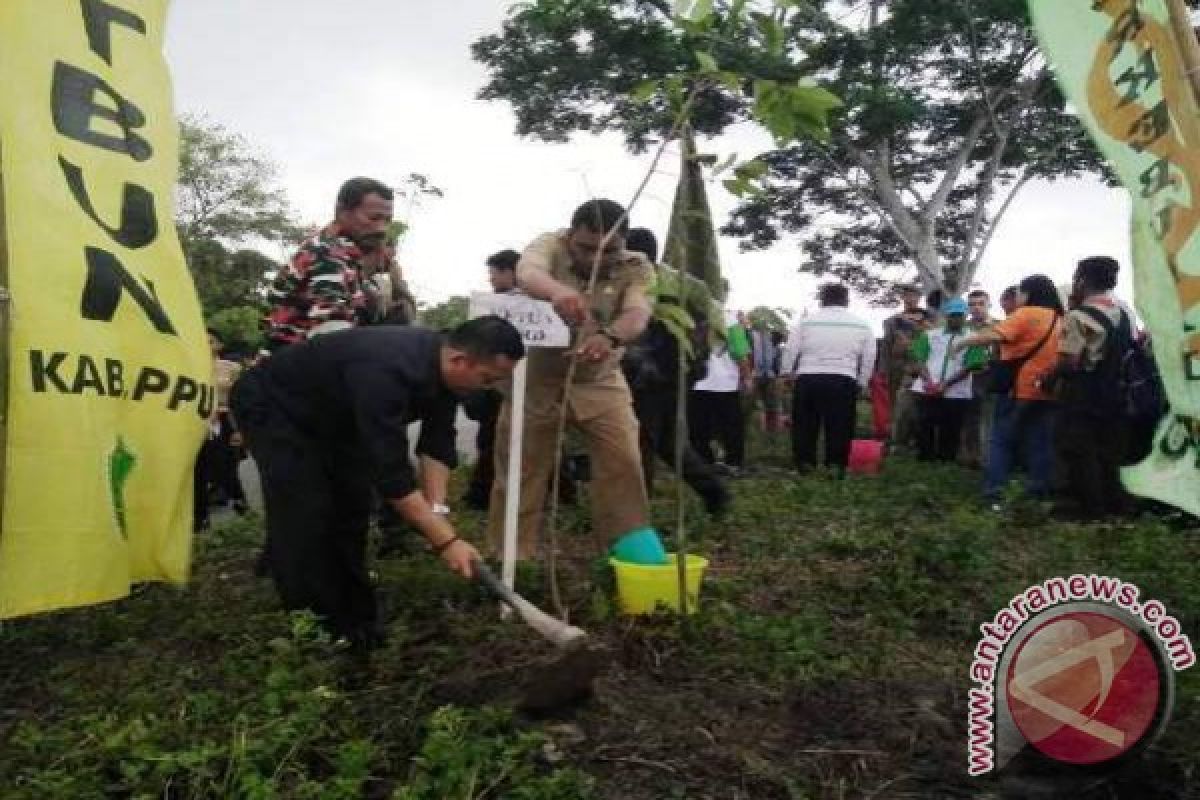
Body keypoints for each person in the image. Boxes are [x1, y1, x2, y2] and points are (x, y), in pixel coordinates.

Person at [230, 318, 524, 647]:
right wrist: (446, 541)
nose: (487, 388)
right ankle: (314, 630)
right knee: (306, 511)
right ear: (459, 360)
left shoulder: (448, 374)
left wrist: (437, 511)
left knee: (352, 505)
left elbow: (437, 445)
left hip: (338, 417)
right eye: (487, 379)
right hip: (276, 407)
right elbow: (392, 475)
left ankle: (356, 619)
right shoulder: (386, 371)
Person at [486, 199, 653, 560]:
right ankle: (511, 561)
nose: (595, 259)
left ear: (624, 243)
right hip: (535, 381)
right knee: (521, 474)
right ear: (570, 234)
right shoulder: (547, 245)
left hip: (600, 380)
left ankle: (630, 557)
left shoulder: (637, 267)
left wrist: (610, 337)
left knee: (623, 463)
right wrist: (557, 291)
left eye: (608, 250)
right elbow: (528, 273)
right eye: (585, 248)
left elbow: (638, 312)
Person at [620, 228, 729, 514]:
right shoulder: (684, 282)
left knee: (639, 438)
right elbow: (713, 322)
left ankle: (635, 507)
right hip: (679, 371)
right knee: (667, 440)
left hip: (650, 374)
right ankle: (713, 491)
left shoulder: (642, 282)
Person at [265, 177, 416, 349]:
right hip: (294, 371)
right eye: (373, 218)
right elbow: (332, 345)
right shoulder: (330, 259)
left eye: (387, 220)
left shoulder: (335, 252)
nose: (382, 229)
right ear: (342, 211)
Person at [956, 275, 1062, 508]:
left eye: (1020, 293)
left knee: (1001, 440)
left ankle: (994, 493)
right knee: (1040, 442)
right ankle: (1037, 493)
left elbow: (995, 335)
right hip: (1047, 389)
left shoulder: (1026, 314)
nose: (1018, 297)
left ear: (1028, 293)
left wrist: (962, 343)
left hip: (1018, 388)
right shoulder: (1059, 317)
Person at [1050, 256, 1132, 520]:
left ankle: (1091, 511)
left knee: (1080, 451)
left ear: (1082, 280)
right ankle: (1115, 507)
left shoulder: (1077, 316)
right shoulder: (1123, 315)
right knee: (1109, 452)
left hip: (1084, 392)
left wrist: (1048, 377)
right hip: (1117, 391)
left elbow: (1070, 362)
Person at [783, 283, 876, 476]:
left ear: (822, 300)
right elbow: (869, 356)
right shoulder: (862, 324)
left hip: (808, 377)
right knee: (840, 426)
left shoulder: (806, 322)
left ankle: (804, 466)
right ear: (846, 301)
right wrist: (862, 381)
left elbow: (791, 349)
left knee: (805, 425)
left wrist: (786, 373)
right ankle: (836, 467)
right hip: (843, 378)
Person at [462, 249, 520, 510]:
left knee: (493, 439)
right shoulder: (495, 303)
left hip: (506, 384)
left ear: (509, 271)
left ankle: (481, 495)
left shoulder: (520, 306)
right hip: (498, 383)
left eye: (494, 274)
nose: (491, 280)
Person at [910, 299, 988, 462]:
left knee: (951, 428)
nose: (956, 319)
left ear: (965, 316)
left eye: (960, 315)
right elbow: (919, 359)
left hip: (956, 392)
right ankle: (925, 459)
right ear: (946, 316)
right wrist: (929, 381)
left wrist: (946, 384)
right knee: (924, 425)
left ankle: (946, 461)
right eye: (953, 315)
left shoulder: (974, 338)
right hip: (926, 387)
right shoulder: (930, 335)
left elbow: (971, 366)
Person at [689, 311, 749, 477]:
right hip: (726, 383)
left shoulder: (690, 316)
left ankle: (703, 463)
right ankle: (733, 463)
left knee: (698, 428)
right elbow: (739, 352)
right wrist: (747, 376)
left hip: (697, 382)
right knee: (731, 426)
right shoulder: (729, 320)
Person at [881, 283, 930, 450]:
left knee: (918, 403)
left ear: (919, 297)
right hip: (896, 365)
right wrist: (883, 370)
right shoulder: (892, 320)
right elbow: (886, 346)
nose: (910, 299)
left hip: (919, 366)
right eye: (907, 295)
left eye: (914, 295)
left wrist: (921, 326)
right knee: (896, 404)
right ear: (902, 297)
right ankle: (896, 438)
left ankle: (916, 439)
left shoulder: (929, 317)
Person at [960, 290, 997, 468]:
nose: (976, 308)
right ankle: (968, 456)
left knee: (988, 419)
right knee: (967, 417)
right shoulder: (962, 328)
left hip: (989, 378)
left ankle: (986, 459)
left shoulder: (1000, 325)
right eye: (972, 304)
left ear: (989, 304)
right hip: (964, 378)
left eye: (981, 303)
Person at [750, 319, 784, 431]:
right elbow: (778, 361)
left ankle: (764, 430)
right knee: (774, 404)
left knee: (761, 404)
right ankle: (775, 429)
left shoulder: (753, 336)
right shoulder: (774, 337)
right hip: (768, 375)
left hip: (757, 374)